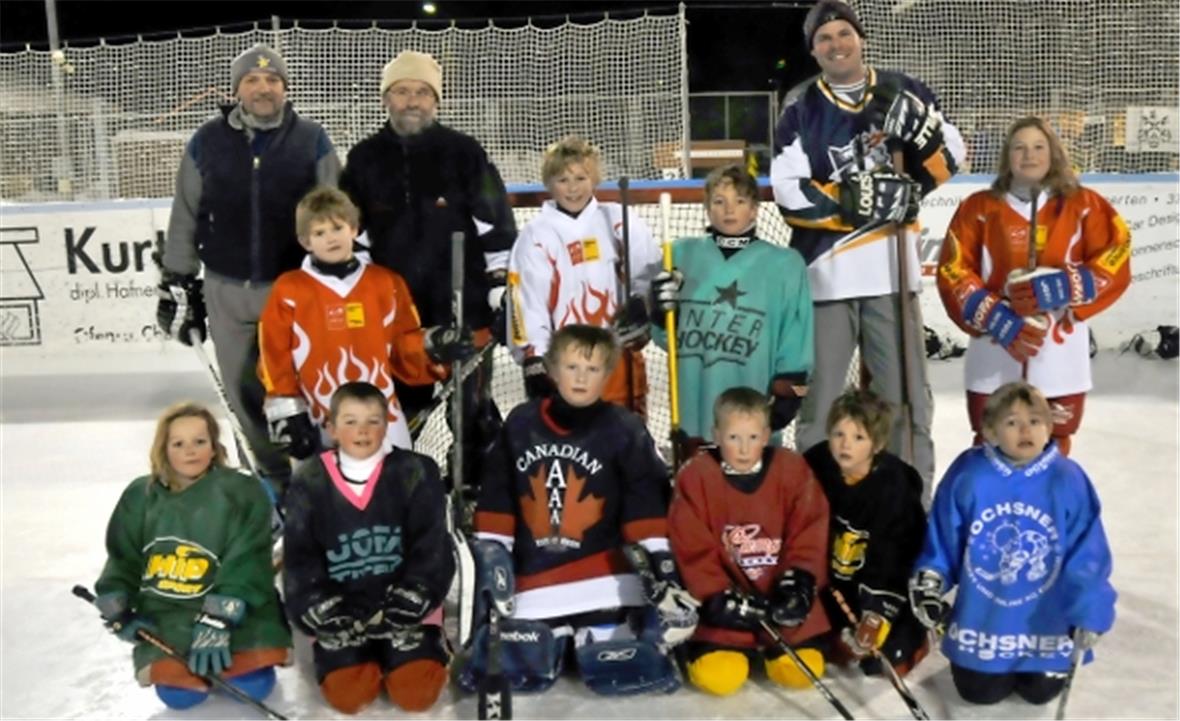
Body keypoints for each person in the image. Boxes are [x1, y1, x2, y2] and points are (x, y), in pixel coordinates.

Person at [770, 0, 967, 500]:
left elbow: (955, 152)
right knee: (821, 408)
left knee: (907, 404)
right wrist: (856, 204)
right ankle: (817, 514)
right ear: (813, 51)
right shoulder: (800, 106)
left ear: (860, 37)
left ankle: (908, 510)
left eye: (843, 33)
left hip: (892, 278)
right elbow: (788, 191)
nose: (836, 44)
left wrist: (916, 175)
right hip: (828, 279)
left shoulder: (904, 89)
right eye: (824, 38)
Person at [460, 325, 697, 696]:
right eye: (571, 367)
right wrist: (493, 552)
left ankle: (593, 631)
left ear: (608, 374)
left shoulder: (625, 428)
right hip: (535, 578)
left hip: (606, 578)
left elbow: (644, 500)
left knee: (619, 660)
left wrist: (660, 562)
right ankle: (556, 636)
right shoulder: (521, 423)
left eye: (593, 369)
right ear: (553, 370)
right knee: (527, 661)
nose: (581, 378)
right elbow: (498, 492)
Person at [157, 43, 341, 493]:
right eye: (253, 80)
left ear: (285, 88)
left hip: (293, 287)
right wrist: (176, 278)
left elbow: (336, 205)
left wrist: (339, 266)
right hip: (226, 289)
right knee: (243, 394)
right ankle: (271, 479)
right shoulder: (206, 142)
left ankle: (312, 477)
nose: (263, 88)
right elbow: (186, 212)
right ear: (237, 89)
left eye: (273, 80)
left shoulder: (311, 139)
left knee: (298, 388)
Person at [339, 50, 516, 488]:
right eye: (402, 91)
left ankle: (474, 492)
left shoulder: (465, 152)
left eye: (422, 92)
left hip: (464, 307)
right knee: (400, 412)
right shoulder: (363, 159)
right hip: (397, 319)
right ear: (387, 99)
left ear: (436, 99)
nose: (412, 101)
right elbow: (351, 235)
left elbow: (496, 222)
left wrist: (498, 288)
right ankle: (398, 492)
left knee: (472, 412)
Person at [909, 381, 1116, 705]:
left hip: (1047, 626)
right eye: (1012, 422)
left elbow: (1088, 554)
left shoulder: (1067, 479)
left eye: (1035, 421)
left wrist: (1091, 610)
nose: (1025, 430)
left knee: (1041, 693)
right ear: (990, 431)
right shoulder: (970, 474)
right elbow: (944, 536)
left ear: (1049, 428)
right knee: (979, 692)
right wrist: (930, 581)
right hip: (983, 622)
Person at [936, 116, 1132, 456]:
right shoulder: (978, 207)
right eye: (1020, 148)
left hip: (1059, 348)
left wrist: (1066, 286)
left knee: (1056, 442)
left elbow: (1117, 254)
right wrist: (994, 315)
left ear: (1053, 153)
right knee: (989, 438)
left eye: (1039, 147)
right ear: (1007, 156)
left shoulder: (1084, 205)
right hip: (995, 348)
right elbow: (953, 269)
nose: (1030, 155)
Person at [93, 402, 291, 710]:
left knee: (254, 687)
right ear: (163, 448)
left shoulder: (241, 490)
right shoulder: (140, 495)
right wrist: (116, 603)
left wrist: (219, 617)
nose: (190, 451)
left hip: (239, 610)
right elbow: (123, 555)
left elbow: (248, 560)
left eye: (200, 441)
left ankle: (236, 648)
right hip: (168, 612)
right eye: (178, 443)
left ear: (214, 446)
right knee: (180, 696)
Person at [257, 187, 474, 458]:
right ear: (305, 242)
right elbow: (274, 355)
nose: (330, 239)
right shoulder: (289, 290)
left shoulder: (385, 283)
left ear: (354, 229)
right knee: (323, 494)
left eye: (337, 228)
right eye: (319, 233)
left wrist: (434, 345)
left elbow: (402, 346)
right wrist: (287, 412)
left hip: (381, 413)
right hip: (318, 418)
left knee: (397, 486)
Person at [282, 381, 455, 714]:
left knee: (417, 693)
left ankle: (409, 649)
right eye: (350, 421)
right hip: (344, 609)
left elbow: (432, 544)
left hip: (404, 609)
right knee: (350, 696)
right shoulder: (309, 480)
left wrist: (417, 593)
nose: (362, 431)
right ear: (331, 428)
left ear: (387, 423)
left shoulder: (416, 471)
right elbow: (300, 558)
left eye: (372, 421)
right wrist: (320, 606)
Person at [668, 387, 830, 696]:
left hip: (778, 602)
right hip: (729, 608)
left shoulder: (792, 469)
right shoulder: (697, 476)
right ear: (716, 434)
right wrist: (715, 595)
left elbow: (810, 528)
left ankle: (776, 645)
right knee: (720, 678)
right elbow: (690, 544)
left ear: (767, 435)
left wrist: (799, 580)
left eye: (753, 438)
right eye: (733, 438)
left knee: (802, 672)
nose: (743, 449)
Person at [651, 164, 814, 456]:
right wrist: (657, 313)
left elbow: (796, 336)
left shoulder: (786, 265)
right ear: (707, 208)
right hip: (693, 409)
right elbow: (667, 339)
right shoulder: (678, 254)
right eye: (719, 201)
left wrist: (790, 392)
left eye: (739, 201)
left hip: (751, 415)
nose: (729, 210)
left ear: (754, 210)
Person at [506, 135, 662, 416]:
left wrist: (643, 303)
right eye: (562, 180)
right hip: (565, 368)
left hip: (619, 363)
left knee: (625, 448)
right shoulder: (536, 235)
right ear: (548, 183)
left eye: (581, 178)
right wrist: (535, 357)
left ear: (595, 179)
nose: (573, 188)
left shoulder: (617, 219)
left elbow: (648, 272)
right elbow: (527, 301)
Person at [802, 389, 928, 678]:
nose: (845, 445)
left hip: (881, 582)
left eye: (859, 438)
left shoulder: (894, 488)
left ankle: (919, 634)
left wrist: (877, 613)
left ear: (878, 443)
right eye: (838, 434)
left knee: (883, 660)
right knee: (818, 645)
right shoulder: (815, 464)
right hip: (833, 582)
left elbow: (897, 556)